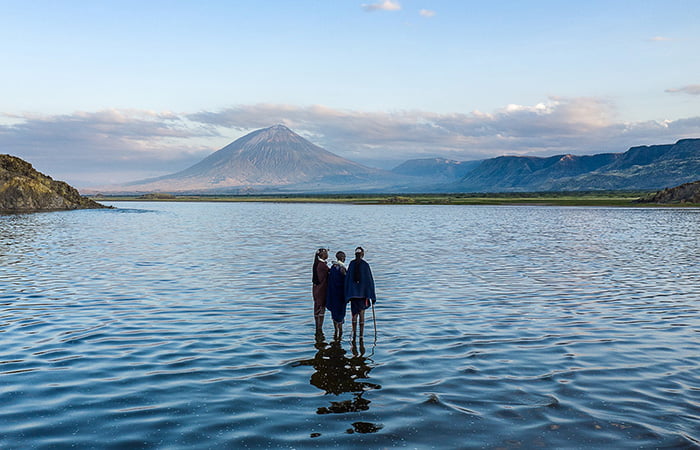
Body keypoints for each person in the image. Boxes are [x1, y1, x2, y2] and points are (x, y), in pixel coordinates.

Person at [344, 246, 376, 342]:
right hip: (363, 294)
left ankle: (354, 334)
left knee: (354, 314)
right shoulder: (365, 265)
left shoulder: (351, 264)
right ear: (362, 254)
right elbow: (369, 281)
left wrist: (347, 294)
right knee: (362, 313)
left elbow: (347, 279)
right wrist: (372, 296)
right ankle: (361, 336)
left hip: (354, 295)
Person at [326, 251, 347, 341]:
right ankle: (340, 330)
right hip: (340, 293)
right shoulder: (342, 269)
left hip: (332, 293)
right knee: (340, 311)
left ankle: (335, 330)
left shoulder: (333, 268)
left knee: (334, 311)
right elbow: (346, 280)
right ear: (342, 258)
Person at [312, 248, 330, 335]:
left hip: (316, 289)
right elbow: (328, 273)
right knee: (321, 307)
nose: (327, 254)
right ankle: (319, 327)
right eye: (326, 253)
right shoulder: (322, 265)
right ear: (322, 255)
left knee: (316, 306)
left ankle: (317, 327)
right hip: (321, 289)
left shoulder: (316, 264)